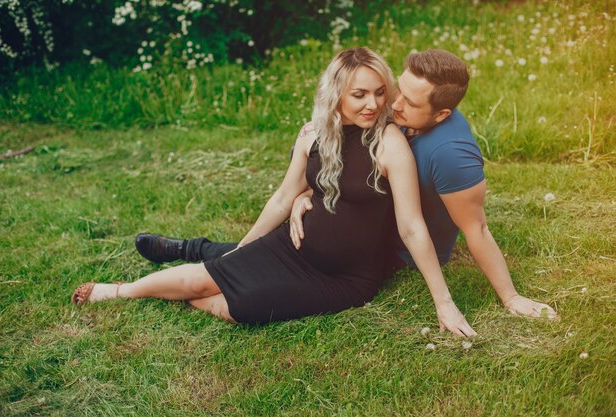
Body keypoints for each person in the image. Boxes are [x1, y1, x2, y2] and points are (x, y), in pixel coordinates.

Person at [72, 47, 477, 337]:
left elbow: (410, 226)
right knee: (203, 279)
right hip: (293, 245)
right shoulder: (313, 135)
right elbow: (284, 198)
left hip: (346, 277)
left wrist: (444, 301)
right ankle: (117, 292)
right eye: (359, 95)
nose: (372, 104)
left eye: (378, 93)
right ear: (336, 94)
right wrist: (242, 252)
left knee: (239, 306)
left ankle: (191, 268)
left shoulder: (389, 143)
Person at [136, 49, 558, 321]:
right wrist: (307, 193)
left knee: (245, 289)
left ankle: (194, 255)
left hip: (380, 252)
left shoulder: (450, 156)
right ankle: (189, 250)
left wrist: (509, 297)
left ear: (440, 115)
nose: (389, 104)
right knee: (255, 255)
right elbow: (324, 166)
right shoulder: (373, 116)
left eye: (405, 102)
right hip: (336, 226)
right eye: (397, 91)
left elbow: (474, 229)